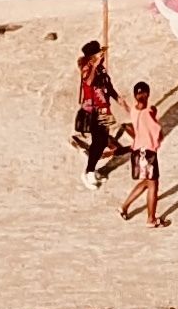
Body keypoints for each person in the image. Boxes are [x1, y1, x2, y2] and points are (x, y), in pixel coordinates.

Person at [117, 80, 166, 228]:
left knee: (147, 182)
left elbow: (129, 108)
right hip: (148, 152)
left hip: (137, 152)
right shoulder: (149, 111)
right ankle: (151, 219)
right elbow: (159, 132)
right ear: (147, 94)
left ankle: (124, 207)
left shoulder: (133, 111)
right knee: (153, 185)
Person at [71, 39, 119, 187]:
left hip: (104, 109)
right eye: (99, 53)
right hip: (93, 112)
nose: (102, 54)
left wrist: (120, 100)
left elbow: (108, 86)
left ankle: (91, 168)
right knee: (98, 143)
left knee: (102, 142)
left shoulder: (101, 68)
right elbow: (89, 82)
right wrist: (95, 65)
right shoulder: (88, 68)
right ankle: (89, 172)